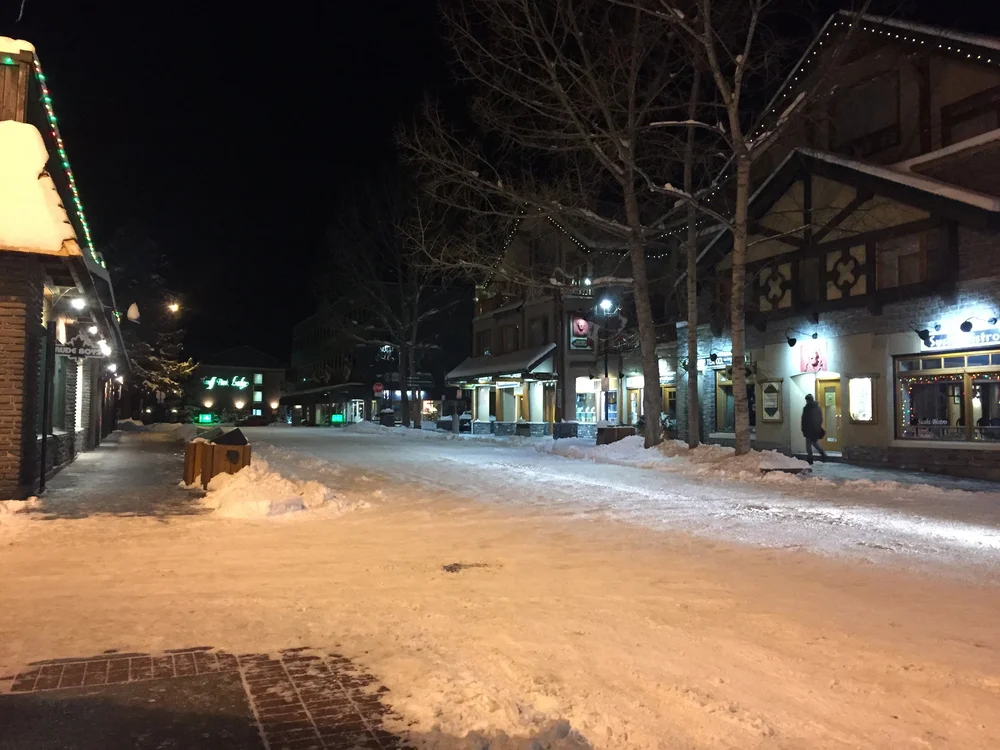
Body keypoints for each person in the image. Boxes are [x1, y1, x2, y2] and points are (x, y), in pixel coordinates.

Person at [801, 394, 826, 464]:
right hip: (815, 429)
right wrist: (818, 427)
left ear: (807, 400)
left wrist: (803, 429)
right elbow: (820, 419)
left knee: (809, 444)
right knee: (814, 442)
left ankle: (810, 458)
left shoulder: (807, 408)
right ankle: (822, 454)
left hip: (808, 429)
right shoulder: (818, 408)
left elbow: (804, 420)